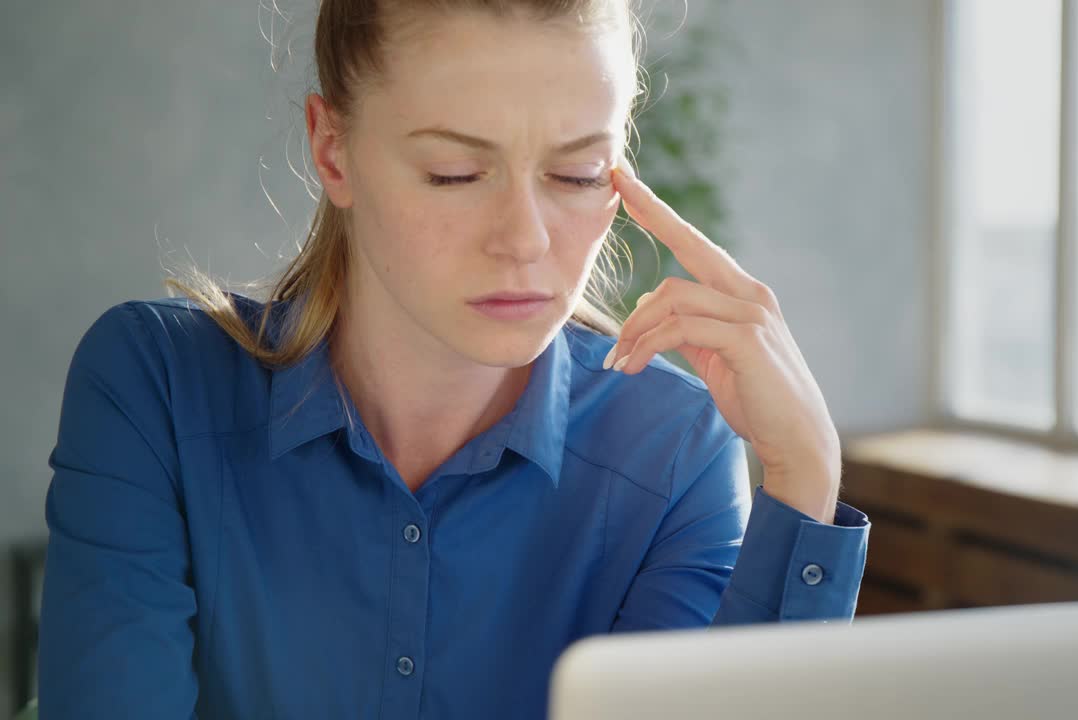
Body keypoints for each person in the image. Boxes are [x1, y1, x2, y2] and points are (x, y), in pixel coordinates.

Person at [37, 0, 870, 717]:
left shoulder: (676, 452)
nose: (524, 241)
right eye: (455, 172)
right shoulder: (155, 386)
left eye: (578, 174)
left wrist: (803, 477)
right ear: (333, 151)